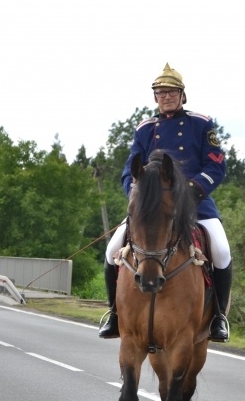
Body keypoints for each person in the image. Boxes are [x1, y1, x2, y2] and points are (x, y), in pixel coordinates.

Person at [99, 63, 233, 342]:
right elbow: (129, 170)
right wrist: (139, 197)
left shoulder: (202, 123)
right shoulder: (145, 129)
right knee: (112, 249)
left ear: (182, 95)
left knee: (221, 251)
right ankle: (114, 314)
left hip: (196, 204)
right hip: (151, 210)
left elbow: (216, 165)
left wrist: (193, 190)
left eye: (171, 92)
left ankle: (219, 317)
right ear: (155, 98)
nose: (166, 97)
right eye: (161, 93)